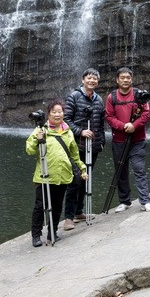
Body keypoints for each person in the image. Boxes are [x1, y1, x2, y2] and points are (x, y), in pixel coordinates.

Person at [26, 99, 88, 247]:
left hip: (62, 175)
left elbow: (74, 154)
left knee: (57, 205)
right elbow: (30, 150)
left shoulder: (68, 131)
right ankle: (36, 235)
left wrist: (82, 168)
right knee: (40, 205)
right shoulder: (41, 130)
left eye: (60, 111)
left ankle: (52, 233)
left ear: (63, 113)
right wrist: (37, 139)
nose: (57, 114)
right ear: (49, 114)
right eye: (54, 112)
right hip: (44, 175)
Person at [104, 67, 150, 212]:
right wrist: (123, 126)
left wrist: (134, 126)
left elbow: (145, 114)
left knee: (139, 169)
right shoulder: (112, 97)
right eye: (122, 77)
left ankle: (145, 201)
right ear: (117, 80)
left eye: (128, 77)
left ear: (132, 79)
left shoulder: (140, 94)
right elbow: (109, 116)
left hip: (137, 139)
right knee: (121, 171)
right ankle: (125, 201)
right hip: (119, 140)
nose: (125, 80)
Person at [62, 68, 105, 231]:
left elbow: (101, 123)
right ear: (83, 79)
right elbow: (66, 119)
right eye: (89, 78)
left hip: (92, 146)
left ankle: (79, 212)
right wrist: (80, 131)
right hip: (76, 146)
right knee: (75, 181)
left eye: (95, 79)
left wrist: (101, 142)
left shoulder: (99, 100)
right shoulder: (74, 96)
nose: (92, 81)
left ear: (98, 82)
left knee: (85, 179)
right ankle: (68, 217)